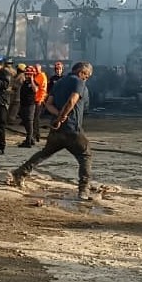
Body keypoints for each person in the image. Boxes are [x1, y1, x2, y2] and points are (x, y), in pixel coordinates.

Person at [10, 61, 94, 200]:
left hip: (57, 129)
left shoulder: (59, 83)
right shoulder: (78, 82)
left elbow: (48, 104)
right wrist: (63, 117)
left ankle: (20, 172)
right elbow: (72, 101)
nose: (87, 78)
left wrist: (58, 117)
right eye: (87, 75)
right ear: (81, 72)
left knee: (45, 153)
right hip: (72, 129)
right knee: (85, 156)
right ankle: (83, 190)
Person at [17, 65, 39, 147]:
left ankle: (28, 140)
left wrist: (32, 79)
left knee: (29, 122)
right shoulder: (24, 82)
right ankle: (31, 139)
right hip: (23, 104)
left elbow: (35, 90)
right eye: (26, 74)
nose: (27, 76)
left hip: (30, 105)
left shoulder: (34, 82)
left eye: (29, 74)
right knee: (25, 122)